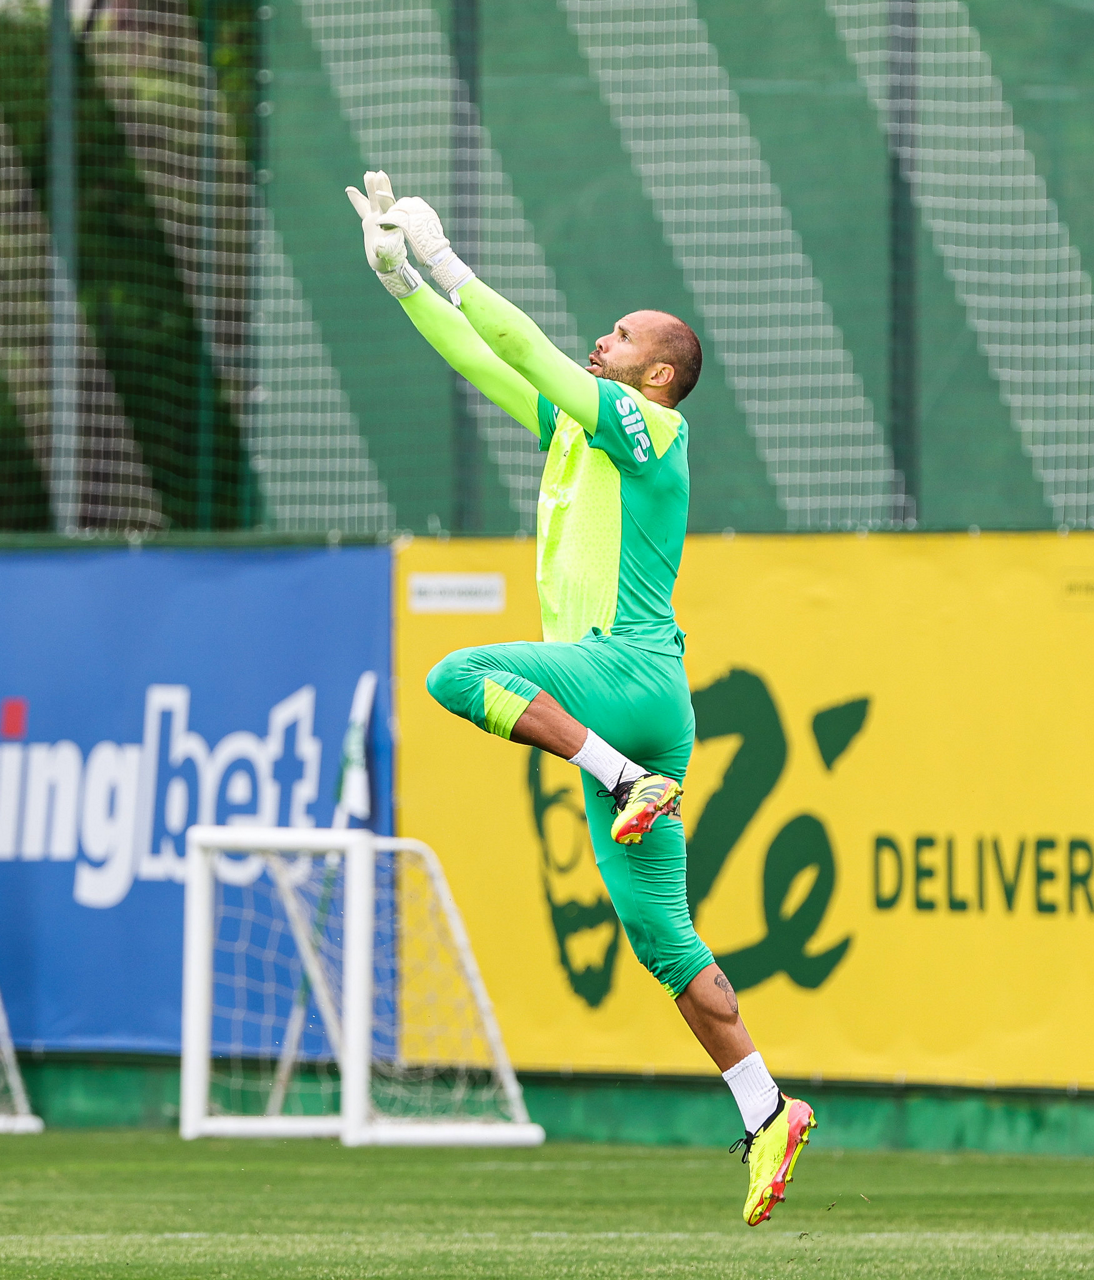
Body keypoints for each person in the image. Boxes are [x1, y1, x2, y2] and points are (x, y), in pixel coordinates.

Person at [346, 172, 815, 1224]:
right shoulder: (580, 430)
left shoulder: (651, 428)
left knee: (455, 675)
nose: (600, 341)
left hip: (625, 679)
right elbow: (485, 359)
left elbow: (525, 347)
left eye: (620, 335)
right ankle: (767, 1108)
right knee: (661, 938)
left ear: (658, 373)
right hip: (636, 706)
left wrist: (446, 261)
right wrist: (403, 285)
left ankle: (622, 778)